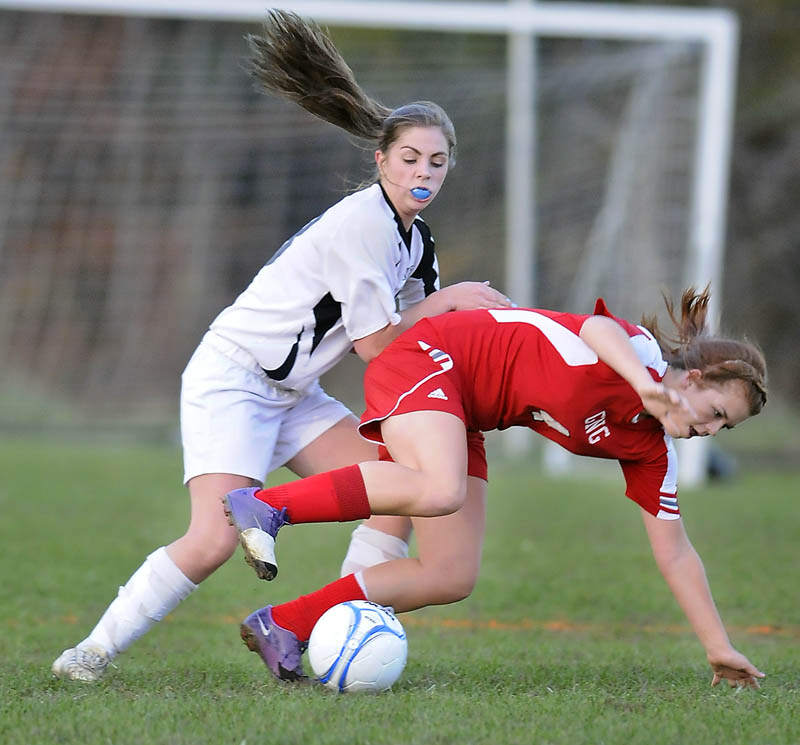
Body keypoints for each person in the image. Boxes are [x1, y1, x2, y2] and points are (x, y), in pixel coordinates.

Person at [51, 9, 510, 682]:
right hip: (234, 379)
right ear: (380, 159)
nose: (424, 170)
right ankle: (88, 653)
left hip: (294, 395)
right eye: (410, 157)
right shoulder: (365, 225)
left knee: (403, 489)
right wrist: (450, 300)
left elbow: (422, 343)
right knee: (211, 538)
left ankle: (329, 631)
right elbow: (380, 345)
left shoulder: (417, 241)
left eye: (437, 161)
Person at [223, 286, 769, 689]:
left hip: (464, 412)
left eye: (726, 427)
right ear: (694, 379)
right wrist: (643, 384)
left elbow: (675, 553)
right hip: (432, 359)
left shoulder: (650, 449)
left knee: (450, 574)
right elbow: (595, 329)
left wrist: (718, 648)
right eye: (717, 412)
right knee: (440, 489)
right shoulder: (642, 354)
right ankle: (266, 506)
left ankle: (284, 625)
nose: (711, 430)